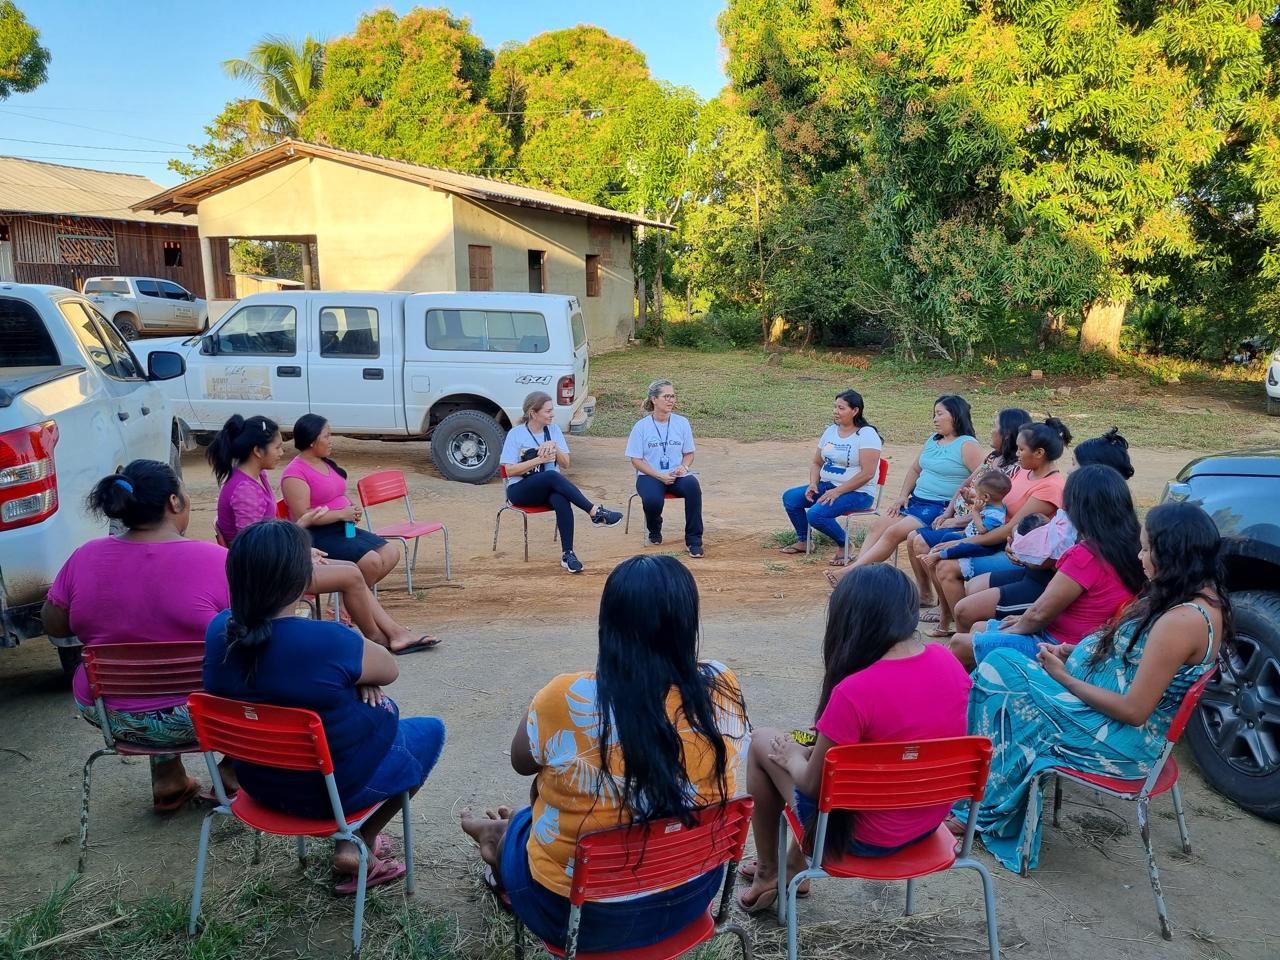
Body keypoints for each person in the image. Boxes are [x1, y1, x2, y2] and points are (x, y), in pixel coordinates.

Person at [459, 555, 749, 953]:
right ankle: (505, 837)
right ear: (687, 622)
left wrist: (546, 710)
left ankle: (502, 842)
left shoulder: (565, 696)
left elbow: (521, 763)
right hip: (690, 896)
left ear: (608, 623)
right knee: (549, 815)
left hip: (584, 919)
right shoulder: (721, 683)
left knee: (537, 811)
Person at [960, 501, 1226, 872]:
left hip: (1119, 745)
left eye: (1148, 548)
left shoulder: (1182, 621)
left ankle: (982, 807)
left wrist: (1065, 677)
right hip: (1110, 721)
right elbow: (1138, 664)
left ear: (1173, 554)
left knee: (998, 671)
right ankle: (976, 792)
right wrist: (1075, 654)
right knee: (1004, 670)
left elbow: (1135, 711)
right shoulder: (1199, 598)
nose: (1140, 555)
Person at [203, 521, 446, 893]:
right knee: (429, 730)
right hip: (330, 795)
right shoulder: (330, 640)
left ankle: (358, 839)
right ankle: (360, 838)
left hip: (259, 787)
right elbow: (388, 669)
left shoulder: (219, 632)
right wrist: (356, 673)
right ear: (304, 580)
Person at [736, 564, 971, 914]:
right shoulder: (948, 661)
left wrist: (792, 757)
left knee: (763, 742)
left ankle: (770, 872)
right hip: (925, 824)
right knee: (828, 761)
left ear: (849, 619)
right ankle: (792, 865)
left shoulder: (854, 692)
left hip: (864, 839)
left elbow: (815, 787)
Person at [41, 460, 237, 811]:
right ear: (174, 503)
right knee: (258, 668)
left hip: (112, 716)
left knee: (146, 665)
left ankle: (168, 779)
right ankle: (233, 773)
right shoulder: (218, 561)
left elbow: (54, 626)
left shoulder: (85, 557)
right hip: (204, 719)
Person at [207, 414, 439, 654]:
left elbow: (267, 534)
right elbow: (255, 547)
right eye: (276, 447)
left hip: (278, 560)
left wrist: (302, 549)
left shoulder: (256, 478)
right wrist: (301, 545)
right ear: (257, 451)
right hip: (268, 574)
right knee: (351, 575)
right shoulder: (245, 489)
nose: (281, 452)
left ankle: (391, 633)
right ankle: (378, 638)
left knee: (352, 571)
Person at [949, 465, 1145, 669]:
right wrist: (1019, 622)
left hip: (1059, 645)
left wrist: (1009, 631)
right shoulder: (1131, 545)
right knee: (978, 628)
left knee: (959, 643)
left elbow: (1040, 614)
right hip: (1086, 640)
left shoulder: (1086, 554)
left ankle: (967, 695)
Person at [954, 428, 1136, 632]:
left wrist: (1029, 553)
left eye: (1075, 464)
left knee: (967, 613)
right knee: (972, 588)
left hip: (1049, 586)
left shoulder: (1096, 523)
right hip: (1034, 573)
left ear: (1095, 472)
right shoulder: (1079, 506)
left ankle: (967, 655)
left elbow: (1068, 568)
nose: (1068, 471)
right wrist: (1023, 548)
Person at [832, 395, 984, 582]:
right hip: (916, 501)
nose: (934, 419)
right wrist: (902, 496)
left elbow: (981, 479)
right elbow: (915, 469)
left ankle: (852, 573)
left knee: (893, 532)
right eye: (933, 414)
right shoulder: (933, 440)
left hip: (940, 507)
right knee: (877, 526)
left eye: (939, 414)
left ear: (955, 415)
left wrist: (961, 509)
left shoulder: (967, 444)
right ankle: (859, 574)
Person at [929, 418, 1071, 605]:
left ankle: (958, 620)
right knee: (939, 549)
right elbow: (1001, 503)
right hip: (992, 537)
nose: (1017, 454)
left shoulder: (1051, 487)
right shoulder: (1023, 470)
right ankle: (948, 618)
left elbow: (1009, 528)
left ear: (1039, 453)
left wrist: (962, 541)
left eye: (1021, 449)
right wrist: (977, 500)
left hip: (1013, 551)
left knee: (946, 565)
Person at [908, 408, 1031, 610]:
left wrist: (958, 521)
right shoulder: (993, 457)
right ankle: (932, 597)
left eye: (995, 426)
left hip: (976, 526)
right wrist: (948, 512)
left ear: (1007, 433)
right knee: (914, 537)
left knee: (921, 542)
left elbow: (994, 508)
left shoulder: (1014, 469)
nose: (991, 431)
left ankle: (945, 609)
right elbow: (966, 483)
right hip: (963, 520)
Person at [500, 391, 623, 574]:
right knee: (552, 477)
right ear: (533, 413)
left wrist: (554, 446)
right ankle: (594, 511)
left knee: (560, 498)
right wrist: (539, 460)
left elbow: (565, 464)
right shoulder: (516, 434)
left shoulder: (554, 430)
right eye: (548, 411)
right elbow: (508, 470)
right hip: (520, 490)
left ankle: (568, 554)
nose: (552, 414)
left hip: (548, 489)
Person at [281, 414, 401, 587]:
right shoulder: (295, 473)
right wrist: (341, 514)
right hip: (317, 535)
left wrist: (351, 508)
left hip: (342, 527)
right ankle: (353, 605)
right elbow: (303, 516)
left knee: (390, 553)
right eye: (327, 436)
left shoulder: (325, 462)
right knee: (372, 561)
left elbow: (337, 493)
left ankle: (353, 601)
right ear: (312, 441)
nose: (331, 440)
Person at [780, 390, 883, 563]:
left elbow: (868, 473)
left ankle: (845, 544)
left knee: (816, 514)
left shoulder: (867, 435)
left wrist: (838, 492)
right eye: (835, 407)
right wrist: (813, 483)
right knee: (791, 498)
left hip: (858, 493)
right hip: (828, 486)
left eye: (841, 408)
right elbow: (816, 463)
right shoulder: (830, 431)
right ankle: (805, 541)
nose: (836, 411)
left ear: (855, 411)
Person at [918, 470, 1012, 637]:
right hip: (971, 536)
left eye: (979, 494)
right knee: (947, 537)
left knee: (958, 549)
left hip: (985, 546)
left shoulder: (996, 514)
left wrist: (975, 512)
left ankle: (939, 555)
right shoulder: (992, 505)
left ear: (986, 498)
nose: (976, 497)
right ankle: (945, 618)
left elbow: (983, 531)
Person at [626, 379, 705, 557]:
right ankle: (654, 527)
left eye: (673, 396)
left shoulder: (682, 423)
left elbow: (689, 453)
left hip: (677, 475)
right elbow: (636, 460)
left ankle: (694, 540)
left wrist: (684, 467)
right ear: (654, 399)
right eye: (666, 396)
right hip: (650, 475)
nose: (670, 400)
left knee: (693, 487)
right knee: (653, 501)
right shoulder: (641, 427)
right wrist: (659, 476)